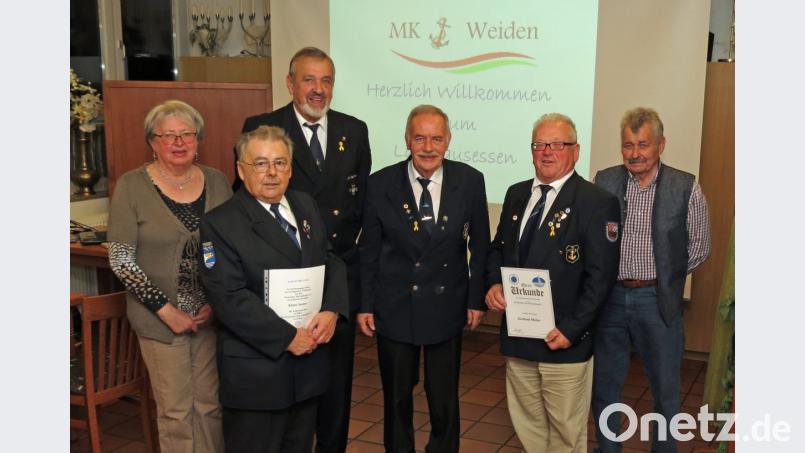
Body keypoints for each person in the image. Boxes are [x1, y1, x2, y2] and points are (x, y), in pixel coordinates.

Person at [234, 46, 371, 453]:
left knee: (335, 387)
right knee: (285, 387)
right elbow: (245, 204)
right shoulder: (262, 127)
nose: (318, 89)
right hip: (279, 281)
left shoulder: (354, 129)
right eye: (309, 80)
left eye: (326, 81)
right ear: (290, 82)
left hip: (335, 277)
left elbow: (361, 200)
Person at [199, 125, 349, 453]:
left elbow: (330, 260)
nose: (271, 173)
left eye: (280, 163)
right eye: (261, 164)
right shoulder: (221, 223)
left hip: (308, 365)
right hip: (258, 374)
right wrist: (286, 337)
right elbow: (229, 297)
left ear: (291, 169)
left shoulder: (305, 204)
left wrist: (332, 309)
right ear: (241, 169)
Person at [485, 112, 621, 453]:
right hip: (520, 338)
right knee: (529, 427)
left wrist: (572, 330)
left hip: (564, 341)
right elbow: (497, 250)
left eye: (557, 144)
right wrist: (493, 285)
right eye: (539, 144)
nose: (547, 152)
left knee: (565, 433)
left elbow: (600, 278)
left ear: (575, 151)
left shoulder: (596, 202)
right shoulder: (516, 194)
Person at [357, 105, 490, 453]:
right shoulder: (380, 184)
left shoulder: (470, 180)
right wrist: (364, 305)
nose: (428, 147)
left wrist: (476, 300)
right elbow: (369, 250)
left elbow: (480, 245)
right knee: (397, 396)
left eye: (436, 138)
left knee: (443, 396)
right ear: (407, 140)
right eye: (420, 138)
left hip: (447, 305)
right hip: (395, 305)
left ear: (448, 141)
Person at [107, 99, 231, 453]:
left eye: (187, 134)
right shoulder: (132, 186)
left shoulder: (218, 182)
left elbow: (227, 248)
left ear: (198, 139)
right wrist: (166, 310)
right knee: (176, 412)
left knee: (210, 407)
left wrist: (213, 303)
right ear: (152, 141)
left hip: (209, 318)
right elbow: (120, 259)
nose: (179, 143)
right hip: (160, 320)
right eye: (168, 135)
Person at [592, 107, 711, 453]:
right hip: (610, 299)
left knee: (666, 391)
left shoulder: (685, 186)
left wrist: (668, 279)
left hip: (657, 300)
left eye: (643, 144)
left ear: (661, 144)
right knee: (605, 387)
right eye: (628, 145)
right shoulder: (604, 180)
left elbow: (700, 246)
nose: (635, 153)